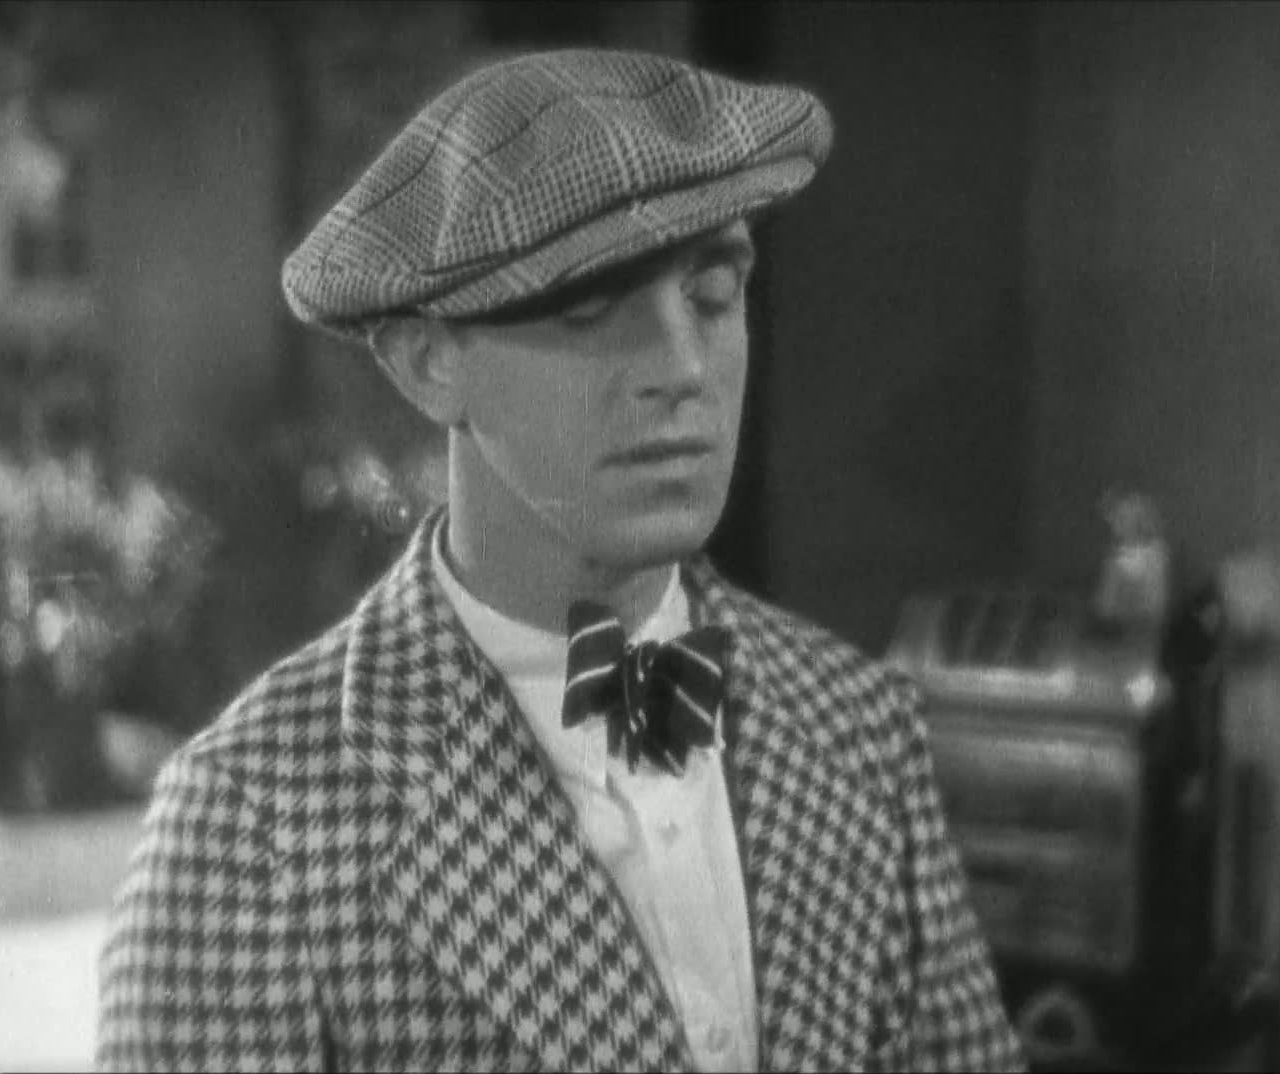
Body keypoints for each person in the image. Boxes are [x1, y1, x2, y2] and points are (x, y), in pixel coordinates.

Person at [96, 47, 1026, 1073]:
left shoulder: (862, 731)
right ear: (429, 362)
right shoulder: (247, 828)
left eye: (714, 294)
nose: (682, 369)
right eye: (592, 310)